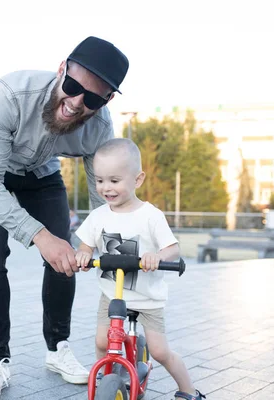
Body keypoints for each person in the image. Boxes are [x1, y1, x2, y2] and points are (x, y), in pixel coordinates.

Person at [0, 36, 130, 400]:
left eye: (92, 99)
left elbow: (104, 194)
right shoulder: (10, 94)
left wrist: (115, 244)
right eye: (72, 86)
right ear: (61, 70)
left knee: (63, 258)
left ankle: (58, 350)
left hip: (41, 173)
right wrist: (40, 235)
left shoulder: (98, 128)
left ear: (106, 101)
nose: (75, 103)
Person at [74, 138, 206, 400]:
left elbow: (173, 248)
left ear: (137, 180)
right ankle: (107, 377)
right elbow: (85, 245)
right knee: (102, 342)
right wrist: (83, 256)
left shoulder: (150, 215)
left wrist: (156, 257)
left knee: (159, 351)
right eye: (100, 180)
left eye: (114, 180)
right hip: (112, 295)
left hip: (148, 298)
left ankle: (189, 391)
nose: (106, 188)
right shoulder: (98, 215)